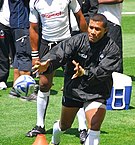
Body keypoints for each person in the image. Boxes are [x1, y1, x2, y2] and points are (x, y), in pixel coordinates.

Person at [32, 14, 121, 145]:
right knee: (65, 125)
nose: (93, 32)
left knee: (95, 125)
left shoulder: (112, 49)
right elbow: (60, 53)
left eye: (97, 29)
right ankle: (56, 135)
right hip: (74, 89)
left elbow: (104, 72)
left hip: (96, 91)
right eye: (91, 27)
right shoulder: (77, 41)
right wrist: (48, 64)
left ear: (105, 30)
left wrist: (85, 72)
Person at [26, 0, 87, 137]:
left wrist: (86, 42)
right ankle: (40, 125)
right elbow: (33, 27)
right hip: (47, 44)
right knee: (44, 84)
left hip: (68, 43)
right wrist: (35, 54)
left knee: (75, 83)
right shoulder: (34, 2)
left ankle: (82, 128)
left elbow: (80, 16)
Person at [8, 0, 32, 97]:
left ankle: (15, 88)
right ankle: (26, 92)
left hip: (17, 23)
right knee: (24, 55)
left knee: (18, 55)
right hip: (21, 23)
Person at [98, 0, 124, 73]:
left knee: (114, 56)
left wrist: (96, 1)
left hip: (111, 21)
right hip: (94, 20)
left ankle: (117, 82)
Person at [0, 0, 15, 90]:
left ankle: (22, 77)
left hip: (18, 23)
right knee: (2, 52)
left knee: (18, 52)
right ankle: (2, 79)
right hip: (3, 22)